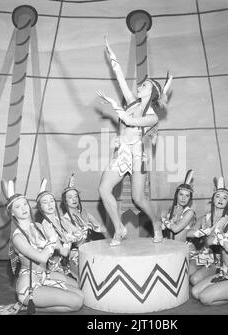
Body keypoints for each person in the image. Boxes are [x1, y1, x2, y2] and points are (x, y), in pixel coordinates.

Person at [96, 37, 173, 246]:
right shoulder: (132, 102)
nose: (140, 85)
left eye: (145, 84)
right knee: (104, 189)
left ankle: (156, 224)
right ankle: (119, 228)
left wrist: (113, 104)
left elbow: (129, 120)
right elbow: (120, 80)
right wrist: (114, 61)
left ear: (152, 92)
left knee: (138, 199)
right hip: (121, 152)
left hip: (137, 155)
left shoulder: (152, 117)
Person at [3, 180, 83, 313]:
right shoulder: (18, 238)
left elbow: (61, 248)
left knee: (80, 292)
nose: (23, 208)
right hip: (29, 285)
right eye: (17, 207)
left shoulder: (38, 226)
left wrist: (68, 238)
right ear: (12, 213)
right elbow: (42, 257)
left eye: (25, 204)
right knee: (77, 302)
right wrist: (52, 240)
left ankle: (32, 305)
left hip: (45, 275)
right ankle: (28, 305)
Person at [187, 176, 228, 285]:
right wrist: (203, 232)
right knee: (186, 274)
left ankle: (219, 276)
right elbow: (189, 233)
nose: (220, 200)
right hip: (204, 254)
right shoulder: (205, 218)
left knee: (194, 280)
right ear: (213, 198)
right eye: (218, 196)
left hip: (219, 259)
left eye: (224, 198)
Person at [36, 178, 84, 280]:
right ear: (40, 207)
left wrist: (70, 237)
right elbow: (63, 252)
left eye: (51, 201)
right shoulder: (46, 225)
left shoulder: (60, 220)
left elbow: (79, 234)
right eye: (45, 202)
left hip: (66, 267)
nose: (49, 204)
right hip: (54, 269)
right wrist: (70, 238)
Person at [60, 173, 106, 244]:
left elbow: (101, 228)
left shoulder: (84, 213)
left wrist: (113, 228)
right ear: (65, 201)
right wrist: (85, 229)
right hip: (75, 252)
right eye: (70, 197)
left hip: (88, 248)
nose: (74, 199)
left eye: (76, 196)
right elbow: (75, 243)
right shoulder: (65, 220)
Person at [161, 170, 196, 245]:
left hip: (182, 249)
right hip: (169, 247)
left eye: (187, 196)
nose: (184, 198)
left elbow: (175, 229)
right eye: (181, 194)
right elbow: (162, 227)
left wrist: (163, 219)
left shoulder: (189, 212)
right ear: (176, 195)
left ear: (190, 198)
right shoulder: (170, 210)